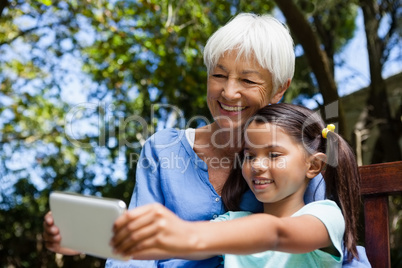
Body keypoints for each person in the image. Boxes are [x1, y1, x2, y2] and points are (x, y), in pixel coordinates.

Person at [43, 13, 370, 267]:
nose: (228, 91)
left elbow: (309, 241)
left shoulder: (301, 160)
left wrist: (185, 234)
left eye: (247, 79)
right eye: (218, 74)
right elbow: (142, 250)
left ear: (279, 88)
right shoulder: (165, 150)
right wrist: (91, 238)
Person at [110, 103, 361, 268]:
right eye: (249, 156)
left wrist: (188, 235)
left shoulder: (325, 215)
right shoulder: (231, 222)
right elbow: (172, 249)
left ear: (313, 166)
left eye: (274, 155)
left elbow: (277, 234)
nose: (257, 165)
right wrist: (107, 240)